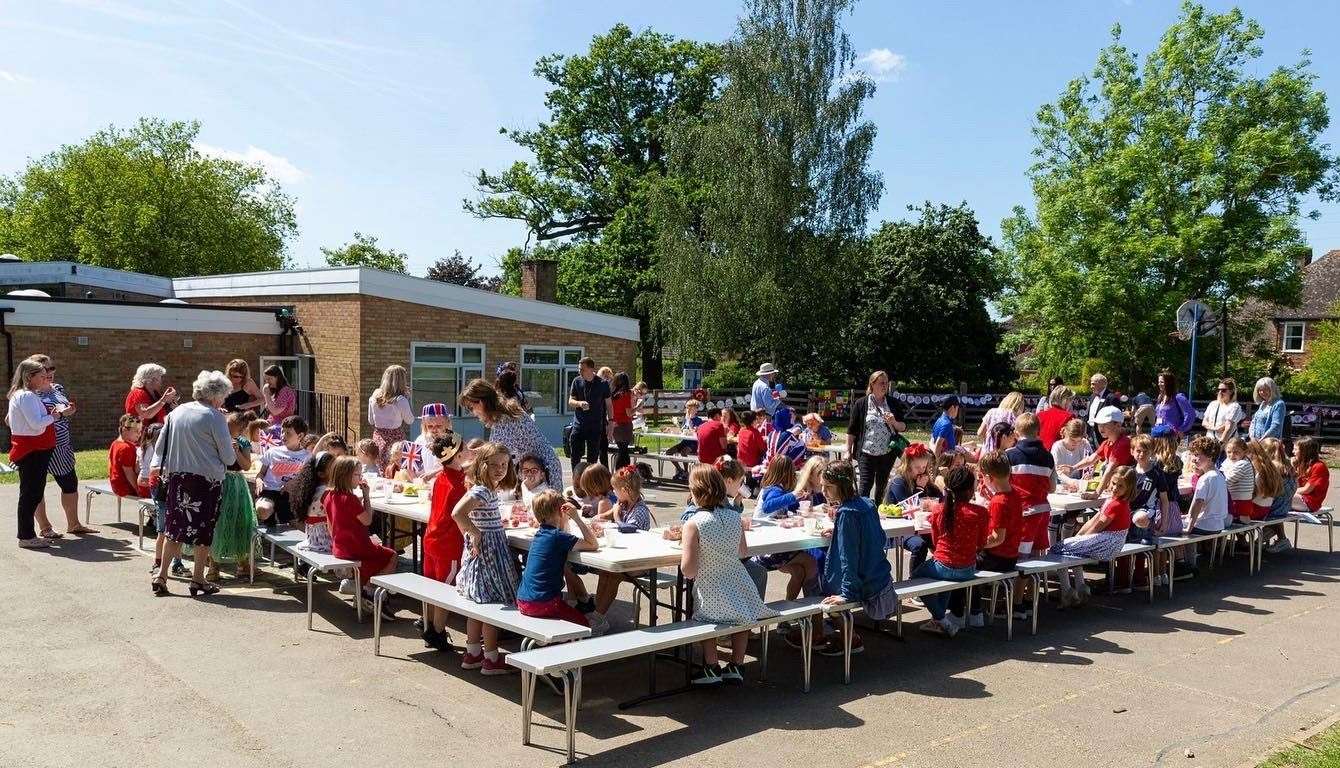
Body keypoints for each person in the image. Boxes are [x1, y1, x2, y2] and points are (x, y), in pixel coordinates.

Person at [682, 464, 778, 686]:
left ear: (695, 492)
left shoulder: (693, 523)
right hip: (739, 584)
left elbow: (688, 570)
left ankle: (712, 666)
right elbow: (743, 553)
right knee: (741, 615)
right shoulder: (735, 518)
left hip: (711, 588)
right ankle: (737, 664)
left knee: (704, 617)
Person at [149, 370, 241, 596]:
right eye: (224, 395)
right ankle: (198, 579)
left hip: (178, 479)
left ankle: (161, 575)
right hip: (206, 482)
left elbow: (160, 448)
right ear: (216, 395)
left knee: (174, 529)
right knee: (203, 532)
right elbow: (229, 459)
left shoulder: (176, 412)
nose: (224, 400)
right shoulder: (215, 417)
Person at [815, 460, 900, 655]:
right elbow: (879, 538)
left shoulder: (847, 514)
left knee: (816, 586)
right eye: (821, 486)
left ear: (842, 486)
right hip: (880, 578)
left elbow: (848, 559)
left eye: (828, 487)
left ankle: (839, 637)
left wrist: (847, 594)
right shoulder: (868, 504)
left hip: (864, 586)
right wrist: (838, 530)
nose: (823, 491)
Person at [452, 442, 522, 675]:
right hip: (488, 555)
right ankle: (491, 657)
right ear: (482, 465)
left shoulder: (489, 489)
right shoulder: (481, 490)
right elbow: (457, 513)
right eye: (494, 465)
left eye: (504, 464)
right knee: (491, 606)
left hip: (488, 550)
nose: (500, 469)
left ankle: (473, 652)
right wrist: (475, 532)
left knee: (477, 604)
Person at [914, 466, 988, 637]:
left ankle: (941, 619)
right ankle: (938, 620)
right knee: (944, 579)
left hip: (942, 566)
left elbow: (934, 540)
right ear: (971, 490)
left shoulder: (939, 510)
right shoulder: (980, 512)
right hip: (968, 569)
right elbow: (981, 543)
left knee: (915, 579)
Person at [1051, 466, 1136, 607]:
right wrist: (1078, 537)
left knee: (1057, 549)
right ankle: (1081, 587)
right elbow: (1093, 520)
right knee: (1073, 551)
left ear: (1129, 488)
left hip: (1109, 542)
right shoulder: (1112, 500)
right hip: (1110, 541)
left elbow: (1098, 526)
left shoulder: (1116, 504)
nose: (1115, 488)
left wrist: (1079, 539)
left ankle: (1067, 591)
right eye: (1114, 483)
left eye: (1120, 486)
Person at [325, 456, 398, 620]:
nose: (360, 478)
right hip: (356, 547)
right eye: (357, 475)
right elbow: (368, 520)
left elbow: (330, 527)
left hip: (340, 547)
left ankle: (362, 589)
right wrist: (366, 497)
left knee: (376, 552)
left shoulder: (329, 496)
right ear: (346, 476)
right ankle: (370, 591)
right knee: (392, 555)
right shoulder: (350, 498)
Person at [25, 355, 90, 537]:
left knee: (69, 482)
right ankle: (45, 527)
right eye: (46, 369)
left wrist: (69, 411)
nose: (51, 372)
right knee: (38, 486)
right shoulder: (30, 393)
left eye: (52, 368)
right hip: (40, 445)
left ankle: (74, 524)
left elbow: (63, 409)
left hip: (62, 445)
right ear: (35, 372)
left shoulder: (57, 388)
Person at [9, 359, 71, 549]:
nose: (46, 379)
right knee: (30, 494)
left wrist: (50, 415)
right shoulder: (26, 396)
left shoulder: (26, 395)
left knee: (32, 494)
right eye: (42, 376)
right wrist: (56, 416)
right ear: (29, 377)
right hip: (32, 450)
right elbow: (36, 424)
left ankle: (28, 535)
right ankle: (26, 536)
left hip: (36, 450)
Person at [459, 378, 564, 490]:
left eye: (471, 408)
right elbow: (496, 449)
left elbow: (497, 457)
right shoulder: (502, 414)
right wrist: (478, 452)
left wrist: (459, 467)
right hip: (536, 468)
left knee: (547, 506)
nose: (472, 413)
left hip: (542, 470)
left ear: (481, 402)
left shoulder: (504, 420)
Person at [517, 490, 599, 626]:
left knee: (570, 612)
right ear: (561, 512)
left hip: (523, 601)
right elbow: (593, 544)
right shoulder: (558, 536)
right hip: (544, 603)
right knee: (584, 624)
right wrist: (577, 518)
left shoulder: (539, 535)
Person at [422, 433, 473, 652]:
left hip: (432, 538)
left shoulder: (443, 477)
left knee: (431, 585)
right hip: (448, 543)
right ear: (458, 454)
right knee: (444, 590)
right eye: (465, 449)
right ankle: (437, 632)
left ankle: (429, 625)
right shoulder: (459, 483)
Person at [754, 456, 820, 606]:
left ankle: (790, 609)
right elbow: (768, 506)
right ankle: (813, 607)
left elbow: (782, 512)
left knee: (799, 572)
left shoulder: (775, 488)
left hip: (774, 545)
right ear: (787, 473)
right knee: (810, 562)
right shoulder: (774, 489)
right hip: (765, 549)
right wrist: (793, 495)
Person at [591, 466, 653, 622]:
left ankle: (598, 617)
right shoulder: (624, 504)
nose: (613, 492)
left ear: (625, 490)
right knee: (604, 570)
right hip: (627, 556)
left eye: (614, 489)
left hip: (641, 561)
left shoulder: (639, 510)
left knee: (614, 574)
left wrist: (617, 517)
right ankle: (597, 612)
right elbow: (606, 515)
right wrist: (598, 517)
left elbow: (629, 529)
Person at [1005, 413, 1057, 589]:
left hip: (1022, 513)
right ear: (1038, 432)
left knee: (1021, 560)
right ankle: (1030, 599)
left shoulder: (1010, 455)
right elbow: (1052, 488)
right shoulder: (1048, 456)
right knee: (1036, 558)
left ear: (1016, 432)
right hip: (1042, 511)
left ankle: (1017, 603)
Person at [976, 451, 1026, 622]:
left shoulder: (999, 502)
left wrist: (976, 544)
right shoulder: (1015, 494)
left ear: (989, 477)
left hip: (996, 558)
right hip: (1011, 556)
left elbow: (997, 538)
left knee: (959, 563)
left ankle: (969, 610)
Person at [208, 411, 258, 582]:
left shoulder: (242, 442)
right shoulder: (217, 438)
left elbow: (246, 465)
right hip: (219, 481)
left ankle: (242, 562)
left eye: (230, 427)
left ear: (240, 429)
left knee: (240, 519)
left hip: (236, 484)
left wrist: (236, 451)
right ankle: (214, 565)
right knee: (217, 521)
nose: (226, 429)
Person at [845, 371, 907, 504]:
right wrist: (847, 451)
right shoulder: (861, 403)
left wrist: (894, 422)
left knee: (881, 485)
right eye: (881, 383)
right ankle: (862, 512)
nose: (884, 386)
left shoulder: (893, 403)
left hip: (887, 452)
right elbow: (852, 430)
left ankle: (878, 513)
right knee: (865, 485)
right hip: (866, 453)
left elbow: (903, 427)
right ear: (872, 384)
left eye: (886, 383)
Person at [886, 442, 941, 570]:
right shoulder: (898, 481)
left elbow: (939, 498)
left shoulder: (923, 477)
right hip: (900, 528)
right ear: (908, 465)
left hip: (923, 527)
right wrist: (920, 488)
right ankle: (915, 579)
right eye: (917, 467)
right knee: (919, 545)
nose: (921, 470)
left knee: (943, 542)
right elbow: (911, 506)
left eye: (924, 467)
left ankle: (940, 576)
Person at [254, 415, 310, 527]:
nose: (283, 436)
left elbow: (308, 480)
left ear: (300, 435)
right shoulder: (273, 452)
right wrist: (259, 480)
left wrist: (294, 483)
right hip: (270, 491)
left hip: (291, 496)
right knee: (263, 510)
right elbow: (261, 473)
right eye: (282, 432)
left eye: (288, 433)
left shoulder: (307, 457)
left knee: (297, 526)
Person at [1184, 437, 1230, 572]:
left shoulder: (1205, 478)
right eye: (1193, 454)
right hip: (1218, 524)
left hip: (1205, 524)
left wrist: (1189, 527)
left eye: (1198, 455)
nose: (1194, 458)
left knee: (1174, 528)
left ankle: (1187, 566)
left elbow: (1198, 503)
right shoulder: (1219, 475)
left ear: (1210, 457)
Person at [1073, 406, 1133, 495]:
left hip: (1124, 493)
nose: (1101, 428)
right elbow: (1091, 459)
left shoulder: (1123, 443)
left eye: (1105, 424)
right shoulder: (1107, 443)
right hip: (1114, 490)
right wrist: (1073, 468)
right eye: (1099, 424)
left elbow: (1109, 469)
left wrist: (1096, 494)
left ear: (1118, 425)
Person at [567, 356, 611, 473]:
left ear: (591, 369)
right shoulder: (577, 381)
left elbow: (609, 405)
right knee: (575, 456)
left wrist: (611, 422)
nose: (579, 371)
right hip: (579, 425)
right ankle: (576, 481)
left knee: (592, 459)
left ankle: (589, 484)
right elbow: (570, 401)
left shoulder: (602, 384)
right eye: (579, 369)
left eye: (582, 369)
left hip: (595, 426)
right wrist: (579, 403)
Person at [368, 364, 414, 465]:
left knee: (380, 468)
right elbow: (410, 420)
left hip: (378, 437)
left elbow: (371, 421)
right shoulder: (400, 400)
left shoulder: (375, 395)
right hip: (395, 439)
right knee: (395, 469)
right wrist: (408, 400)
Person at [1261, 438, 1298, 553]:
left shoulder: (1272, 466)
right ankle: (1269, 532)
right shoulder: (1287, 463)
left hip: (1275, 508)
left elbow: (1268, 490)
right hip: (1285, 505)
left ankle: (1278, 536)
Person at [663, 399, 705, 481]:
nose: (689, 410)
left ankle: (686, 472)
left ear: (696, 409)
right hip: (684, 441)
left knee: (683, 452)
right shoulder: (685, 419)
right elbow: (682, 430)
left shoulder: (698, 420)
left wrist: (689, 422)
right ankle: (680, 470)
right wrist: (672, 429)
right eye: (688, 408)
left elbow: (695, 432)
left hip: (693, 443)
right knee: (668, 452)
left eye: (692, 408)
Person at [413, 403, 452, 482]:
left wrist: (433, 473)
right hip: (427, 485)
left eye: (438, 426)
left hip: (446, 484)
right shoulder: (420, 440)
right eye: (430, 426)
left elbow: (455, 467)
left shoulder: (453, 440)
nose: (434, 430)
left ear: (447, 423)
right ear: (424, 425)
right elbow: (413, 466)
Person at [1221, 438, 1256, 524]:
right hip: (1238, 503)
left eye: (1236, 452)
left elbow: (1225, 482)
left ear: (1244, 452)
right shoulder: (1230, 462)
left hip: (1239, 505)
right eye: (1229, 452)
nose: (1232, 455)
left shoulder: (1243, 464)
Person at [1292, 437, 1330, 516]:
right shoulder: (1300, 465)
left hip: (1310, 502)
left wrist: (1286, 492)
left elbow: (1306, 490)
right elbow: (1296, 486)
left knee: (1279, 497)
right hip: (1299, 498)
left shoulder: (1319, 466)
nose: (1293, 452)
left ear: (1304, 451)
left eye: (1296, 449)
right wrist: (1293, 471)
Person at [108, 414, 143, 499]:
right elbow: (129, 473)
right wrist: (139, 491)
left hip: (116, 485)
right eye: (136, 431)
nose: (139, 434)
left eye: (140, 431)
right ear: (125, 430)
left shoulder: (115, 443)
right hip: (125, 487)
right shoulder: (126, 448)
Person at [765, 406, 808, 471]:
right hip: (781, 464)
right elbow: (794, 435)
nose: (791, 419)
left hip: (770, 463)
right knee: (802, 445)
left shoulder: (772, 433)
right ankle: (791, 467)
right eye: (790, 417)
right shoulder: (787, 434)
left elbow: (798, 429)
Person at [1202, 378, 1245, 443]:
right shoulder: (1212, 404)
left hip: (1226, 444)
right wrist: (1216, 428)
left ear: (1231, 391)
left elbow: (1228, 428)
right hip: (1210, 442)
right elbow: (1204, 423)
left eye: (1223, 390)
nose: (1220, 392)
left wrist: (1220, 444)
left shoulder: (1235, 406)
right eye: (1219, 390)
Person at [1154, 370, 1196, 437]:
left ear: (1169, 383)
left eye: (1162, 382)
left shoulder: (1178, 397)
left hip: (1171, 436)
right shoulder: (1160, 397)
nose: (1159, 384)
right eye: (1158, 382)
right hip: (1158, 434)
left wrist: (1181, 429)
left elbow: (1191, 414)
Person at [609, 372, 636, 469]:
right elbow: (629, 413)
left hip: (616, 425)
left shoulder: (613, 394)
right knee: (624, 452)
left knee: (621, 450)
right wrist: (638, 407)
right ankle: (625, 473)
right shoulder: (626, 394)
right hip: (625, 425)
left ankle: (618, 473)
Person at [1036, 386, 1075, 451]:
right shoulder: (1069, 417)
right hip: (1058, 454)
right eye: (1070, 401)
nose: (1070, 404)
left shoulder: (1039, 415)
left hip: (1039, 454)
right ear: (1065, 401)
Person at [1085, 374, 1120, 445]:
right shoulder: (1092, 396)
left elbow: (1117, 418)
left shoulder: (1111, 398)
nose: (1091, 386)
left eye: (1093, 384)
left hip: (1104, 434)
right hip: (1090, 432)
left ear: (1101, 384)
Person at [1249, 377, 1286, 441]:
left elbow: (1276, 426)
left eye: (1265, 389)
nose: (1262, 392)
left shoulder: (1279, 404)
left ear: (1272, 389)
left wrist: (1262, 440)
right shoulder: (1263, 404)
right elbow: (1253, 422)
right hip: (1256, 443)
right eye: (1260, 390)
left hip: (1269, 444)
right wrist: (1252, 438)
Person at [735, 410, 767, 475]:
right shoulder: (755, 432)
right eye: (756, 419)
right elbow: (763, 448)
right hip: (752, 463)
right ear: (753, 421)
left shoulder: (741, 430)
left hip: (741, 461)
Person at [931, 396, 961, 462]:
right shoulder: (947, 424)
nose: (958, 411)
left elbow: (932, 439)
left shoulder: (939, 420)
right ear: (953, 407)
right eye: (957, 408)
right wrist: (936, 462)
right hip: (947, 460)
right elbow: (938, 444)